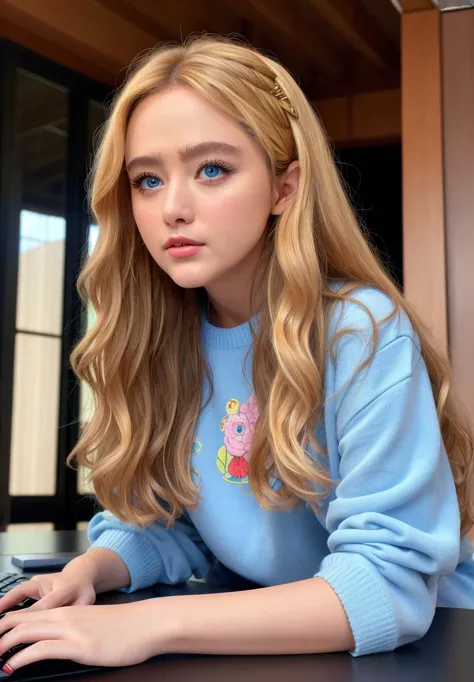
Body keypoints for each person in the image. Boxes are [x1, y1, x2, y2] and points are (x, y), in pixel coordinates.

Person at [1, 35, 474, 675]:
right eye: (147, 179)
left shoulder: (359, 330)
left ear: (286, 187)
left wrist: (145, 625)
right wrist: (87, 573)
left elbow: (388, 588)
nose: (172, 208)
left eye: (212, 170)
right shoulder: (165, 336)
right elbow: (170, 523)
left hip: (428, 648)